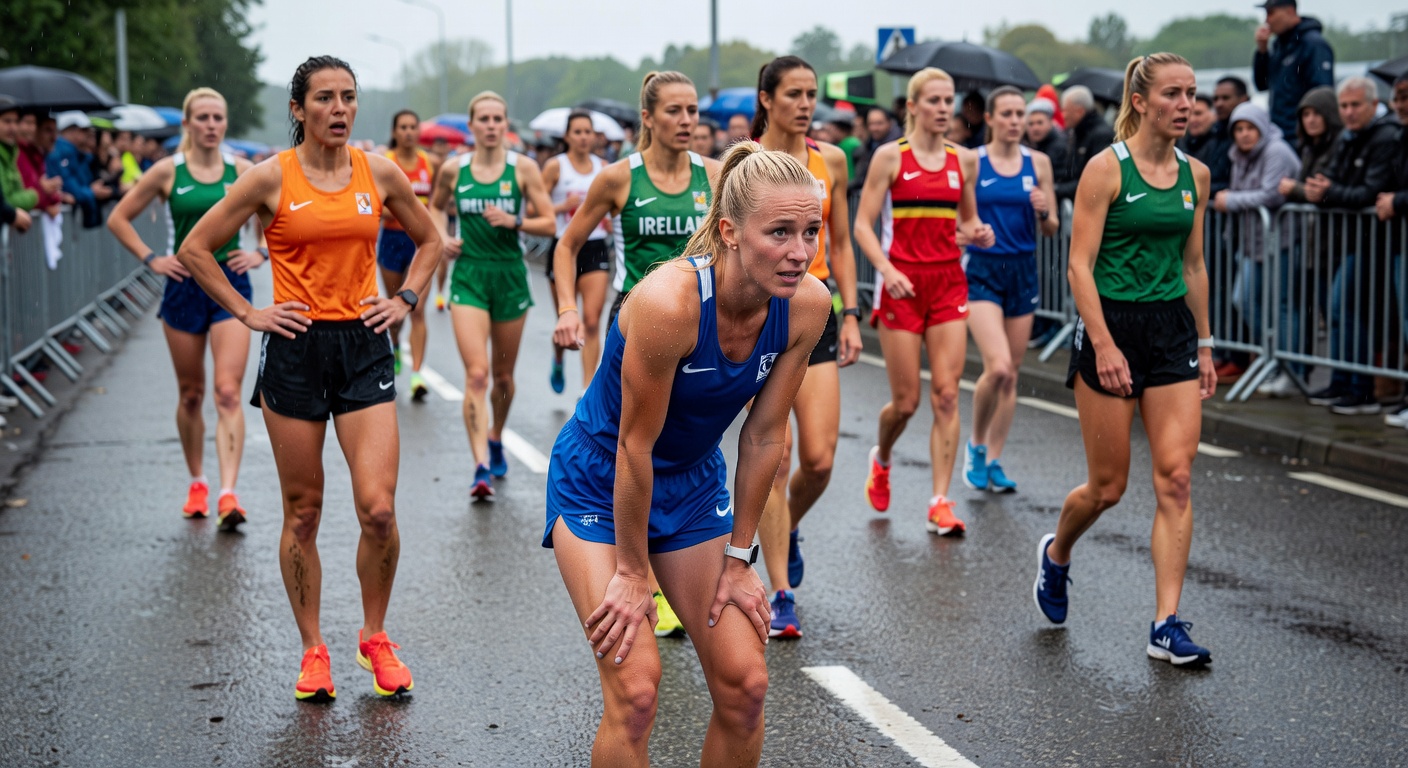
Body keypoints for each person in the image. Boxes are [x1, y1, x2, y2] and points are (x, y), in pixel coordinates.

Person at [544, 140, 831, 768]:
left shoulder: (807, 305)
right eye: (779, 232)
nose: (800, 252)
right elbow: (633, 447)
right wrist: (629, 571)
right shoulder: (667, 304)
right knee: (638, 686)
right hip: (602, 479)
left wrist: (738, 557)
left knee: (745, 684)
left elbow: (762, 437)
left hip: (693, 485)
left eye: (810, 230)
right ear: (728, 231)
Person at [177, 56, 443, 702]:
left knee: (378, 508)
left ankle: (374, 636)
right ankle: (312, 649)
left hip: (364, 346)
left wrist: (404, 299)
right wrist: (247, 310)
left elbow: (430, 240)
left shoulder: (378, 171)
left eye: (348, 97)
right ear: (299, 109)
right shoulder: (271, 177)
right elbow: (195, 247)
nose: (339, 109)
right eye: (324, 98)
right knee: (304, 513)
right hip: (295, 347)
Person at [1034, 53, 1216, 668]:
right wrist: (1104, 344)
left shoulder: (1198, 174)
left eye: (1192, 93)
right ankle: (1057, 555)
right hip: (1110, 325)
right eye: (1173, 93)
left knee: (1178, 476)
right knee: (1109, 487)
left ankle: (1166, 623)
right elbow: (1078, 265)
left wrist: (1207, 343)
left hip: (1170, 331)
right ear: (1141, 101)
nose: (1186, 104)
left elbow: (1193, 265)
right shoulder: (1104, 170)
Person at [553, 72, 722, 638]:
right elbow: (568, 244)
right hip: (639, 330)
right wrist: (567, 309)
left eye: (693, 110)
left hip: (700, 329)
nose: (686, 120)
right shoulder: (618, 178)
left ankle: (664, 565)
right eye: (673, 110)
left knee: (678, 446)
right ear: (647, 118)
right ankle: (641, 571)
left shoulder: (716, 177)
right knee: (637, 443)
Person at [106, 88, 262, 528]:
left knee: (228, 392)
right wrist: (151, 258)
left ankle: (229, 494)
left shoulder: (244, 170)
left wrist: (260, 252)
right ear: (188, 124)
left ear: (226, 123)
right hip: (183, 286)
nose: (211, 125)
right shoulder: (166, 171)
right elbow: (118, 218)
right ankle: (198, 481)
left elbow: (277, 216)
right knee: (191, 394)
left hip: (231, 284)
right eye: (203, 118)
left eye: (218, 117)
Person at [750, 56, 864, 639]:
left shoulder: (832, 161)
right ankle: (779, 591)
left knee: (818, 460)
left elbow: (840, 244)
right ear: (766, 99)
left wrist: (849, 315)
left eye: (811, 93)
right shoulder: (744, 165)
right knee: (776, 455)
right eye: (793, 93)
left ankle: (784, 527)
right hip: (761, 315)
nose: (805, 103)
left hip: (816, 313)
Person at [854, 67, 995, 536]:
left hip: (949, 283)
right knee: (907, 402)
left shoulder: (964, 161)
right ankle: (884, 456)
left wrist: (979, 234)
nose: (943, 108)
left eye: (948, 100)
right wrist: (887, 271)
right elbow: (862, 226)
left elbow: (968, 223)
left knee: (948, 393)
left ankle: (939, 500)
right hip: (903, 284)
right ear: (912, 106)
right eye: (933, 100)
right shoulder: (889, 158)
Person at [429, 91, 555, 499]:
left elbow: (549, 223)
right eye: (482, 118)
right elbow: (435, 206)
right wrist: (442, 236)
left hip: (509, 277)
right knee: (478, 374)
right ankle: (480, 464)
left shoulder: (524, 170)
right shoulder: (453, 169)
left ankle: (496, 433)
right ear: (471, 126)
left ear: (506, 125)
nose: (490, 125)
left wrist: (514, 220)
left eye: (497, 119)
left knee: (503, 378)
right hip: (468, 276)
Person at [962, 86, 1060, 495]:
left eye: (1021, 113)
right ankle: (976, 447)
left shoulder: (1039, 163)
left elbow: (1052, 225)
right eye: (1007, 113)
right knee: (997, 366)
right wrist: (970, 233)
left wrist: (1043, 209)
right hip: (983, 270)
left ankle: (996, 458)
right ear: (990, 118)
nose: (1016, 120)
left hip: (1023, 269)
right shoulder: (972, 161)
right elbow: (955, 221)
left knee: (1012, 374)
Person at [1301, 77, 1401, 415]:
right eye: (1344, 106)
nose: (1348, 112)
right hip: (1348, 239)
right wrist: (1324, 191)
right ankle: (1343, 381)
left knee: (1347, 309)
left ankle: (1361, 388)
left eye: (1355, 105)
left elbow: (1368, 192)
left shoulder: (1384, 136)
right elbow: (1329, 180)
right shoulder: (1347, 137)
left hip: (1370, 241)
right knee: (1339, 313)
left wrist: (1328, 193)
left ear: (1374, 105)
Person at [1265, 85, 1343, 398]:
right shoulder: (1309, 147)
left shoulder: (1337, 145)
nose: (1311, 120)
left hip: (1335, 243)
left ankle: (1340, 380)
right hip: (1313, 244)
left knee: (1335, 312)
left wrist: (1296, 190)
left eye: (1316, 113)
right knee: (1313, 309)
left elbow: (1316, 191)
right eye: (1305, 114)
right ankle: (1303, 372)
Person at [1215, 102, 1301, 376]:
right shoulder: (1239, 154)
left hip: (1282, 240)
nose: (1244, 134)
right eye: (1238, 129)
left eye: (1250, 128)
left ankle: (1289, 370)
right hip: (1252, 242)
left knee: (1283, 306)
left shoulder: (1277, 150)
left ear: (1262, 127)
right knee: (1244, 299)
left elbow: (1271, 195)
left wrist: (1231, 200)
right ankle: (1270, 356)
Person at [543, 111, 612, 394]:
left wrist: (609, 219)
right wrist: (562, 206)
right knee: (567, 320)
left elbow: (614, 206)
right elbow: (535, 208)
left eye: (588, 132)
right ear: (567, 136)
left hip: (595, 247)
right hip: (563, 248)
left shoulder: (604, 168)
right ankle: (558, 359)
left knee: (592, 320)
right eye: (578, 132)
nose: (584, 137)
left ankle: (586, 388)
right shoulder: (555, 167)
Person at [378, 110, 438, 401]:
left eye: (413, 127)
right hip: (391, 240)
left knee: (417, 307)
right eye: (403, 127)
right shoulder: (384, 163)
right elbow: (377, 208)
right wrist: (406, 211)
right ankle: (395, 343)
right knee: (395, 308)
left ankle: (417, 374)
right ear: (395, 131)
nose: (409, 132)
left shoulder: (429, 163)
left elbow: (437, 204)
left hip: (419, 243)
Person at [1254, 0, 1335, 140]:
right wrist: (1262, 52)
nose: (1267, 20)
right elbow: (1262, 84)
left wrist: (1311, 135)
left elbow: (1322, 92)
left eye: (1271, 13)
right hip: (1279, 131)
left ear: (1290, 11)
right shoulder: (1279, 46)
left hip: (1302, 135)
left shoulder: (1313, 44)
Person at [1380, 74, 1408, 427]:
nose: (1400, 105)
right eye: (1398, 98)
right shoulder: (1399, 136)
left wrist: (1397, 201)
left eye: (1406, 97)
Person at [1055, 86, 1115, 200]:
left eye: (1065, 110)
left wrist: (1057, 190)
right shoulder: (1078, 132)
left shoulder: (1100, 135)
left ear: (1079, 111)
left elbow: (1096, 180)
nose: (1063, 115)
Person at [849, 106, 902, 194]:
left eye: (879, 123)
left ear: (890, 123)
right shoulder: (868, 145)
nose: (874, 128)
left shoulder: (899, 146)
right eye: (871, 124)